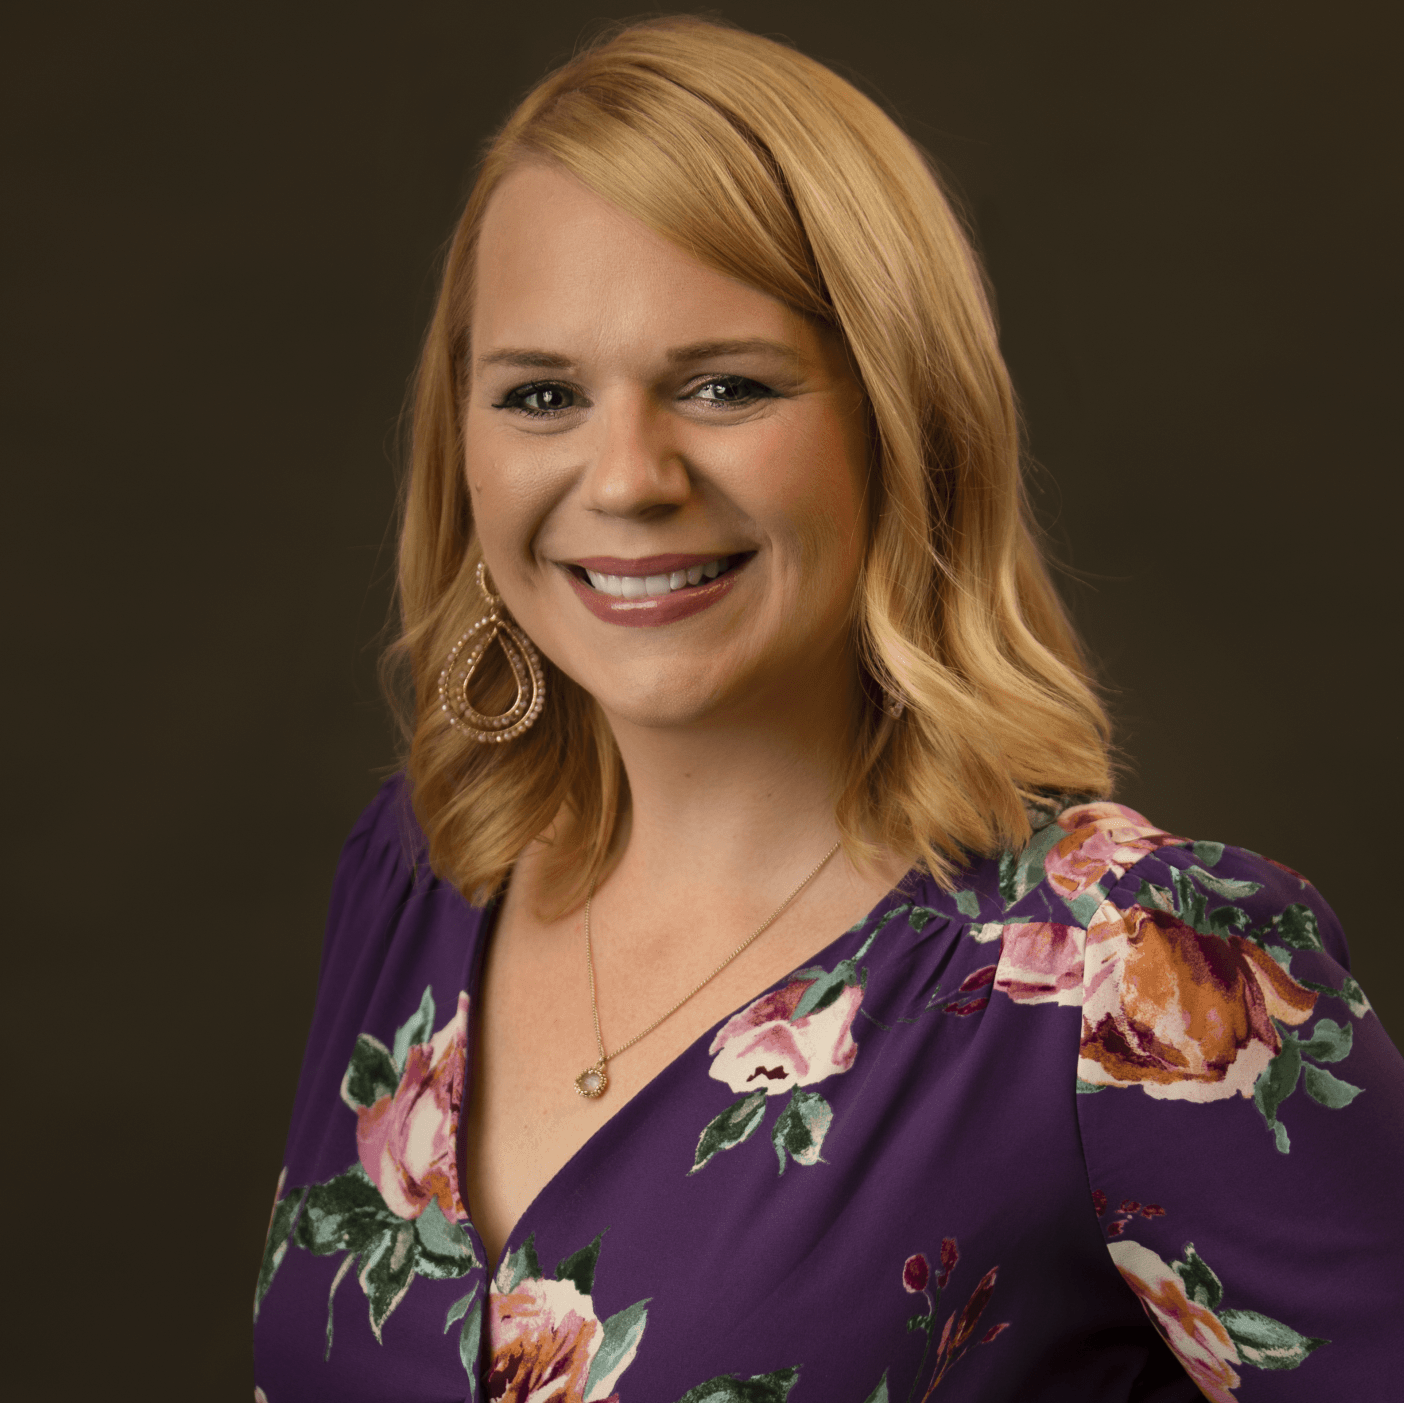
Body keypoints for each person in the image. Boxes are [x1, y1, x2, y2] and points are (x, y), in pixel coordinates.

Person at [252, 17, 1403, 1401]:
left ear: (903, 426)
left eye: (725, 384)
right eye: (543, 394)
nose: (625, 477)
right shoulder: (418, 869)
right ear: (467, 450)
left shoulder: (1138, 976)